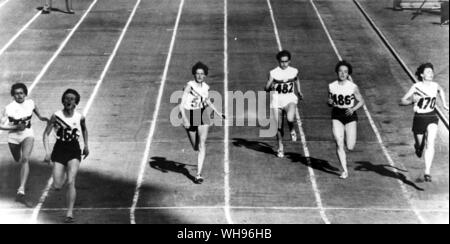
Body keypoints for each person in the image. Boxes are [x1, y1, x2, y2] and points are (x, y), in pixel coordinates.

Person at [43, 89, 89, 223]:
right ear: (63, 100)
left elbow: (85, 129)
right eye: (66, 98)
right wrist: (47, 151)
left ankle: (69, 213)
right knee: (57, 185)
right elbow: (46, 134)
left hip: (74, 149)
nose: (69, 101)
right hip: (59, 149)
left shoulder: (80, 117)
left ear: (76, 103)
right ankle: (60, 179)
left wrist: (86, 145)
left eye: (72, 99)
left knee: (71, 181)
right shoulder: (56, 116)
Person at [400, 63, 448, 182]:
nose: (430, 74)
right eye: (428, 72)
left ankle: (427, 171)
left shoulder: (435, 85)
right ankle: (418, 147)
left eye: (431, 72)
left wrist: (445, 104)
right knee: (420, 145)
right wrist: (412, 100)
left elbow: (440, 90)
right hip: (419, 118)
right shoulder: (416, 86)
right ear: (422, 75)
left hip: (431, 116)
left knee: (430, 143)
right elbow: (402, 101)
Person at [1, 83, 49, 204]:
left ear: (25, 94)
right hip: (13, 136)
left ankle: (21, 190)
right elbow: (0, 126)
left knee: (25, 158)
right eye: (16, 93)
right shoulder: (9, 108)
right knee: (17, 158)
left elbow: (35, 109)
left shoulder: (30, 103)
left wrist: (41, 117)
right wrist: (16, 126)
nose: (19, 95)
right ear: (13, 95)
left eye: (21, 93)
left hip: (27, 134)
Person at [180, 62, 223, 184]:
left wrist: (219, 113)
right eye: (197, 73)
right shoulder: (189, 86)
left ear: (205, 75)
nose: (199, 76)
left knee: (202, 144)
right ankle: (197, 145)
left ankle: (198, 174)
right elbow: (181, 106)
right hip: (190, 114)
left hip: (202, 114)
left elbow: (207, 101)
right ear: (194, 74)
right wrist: (185, 119)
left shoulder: (206, 87)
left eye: (202, 74)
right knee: (195, 146)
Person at [328, 61, 364, 179]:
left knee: (350, 146)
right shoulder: (332, 86)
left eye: (345, 72)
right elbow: (330, 101)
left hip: (349, 116)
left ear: (348, 74)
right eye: (340, 71)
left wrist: (353, 109)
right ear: (337, 72)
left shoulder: (352, 87)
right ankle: (344, 170)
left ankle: (346, 142)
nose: (342, 74)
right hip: (337, 114)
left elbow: (362, 101)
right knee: (339, 142)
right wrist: (330, 102)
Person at [265, 50, 303, 158]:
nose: (284, 64)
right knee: (278, 127)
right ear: (278, 61)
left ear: (289, 61)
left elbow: (297, 80)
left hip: (289, 99)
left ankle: (292, 128)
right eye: (282, 62)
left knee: (290, 118)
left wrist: (299, 91)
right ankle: (280, 147)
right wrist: (269, 85)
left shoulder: (294, 71)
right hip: (277, 101)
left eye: (286, 61)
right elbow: (266, 89)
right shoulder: (273, 72)